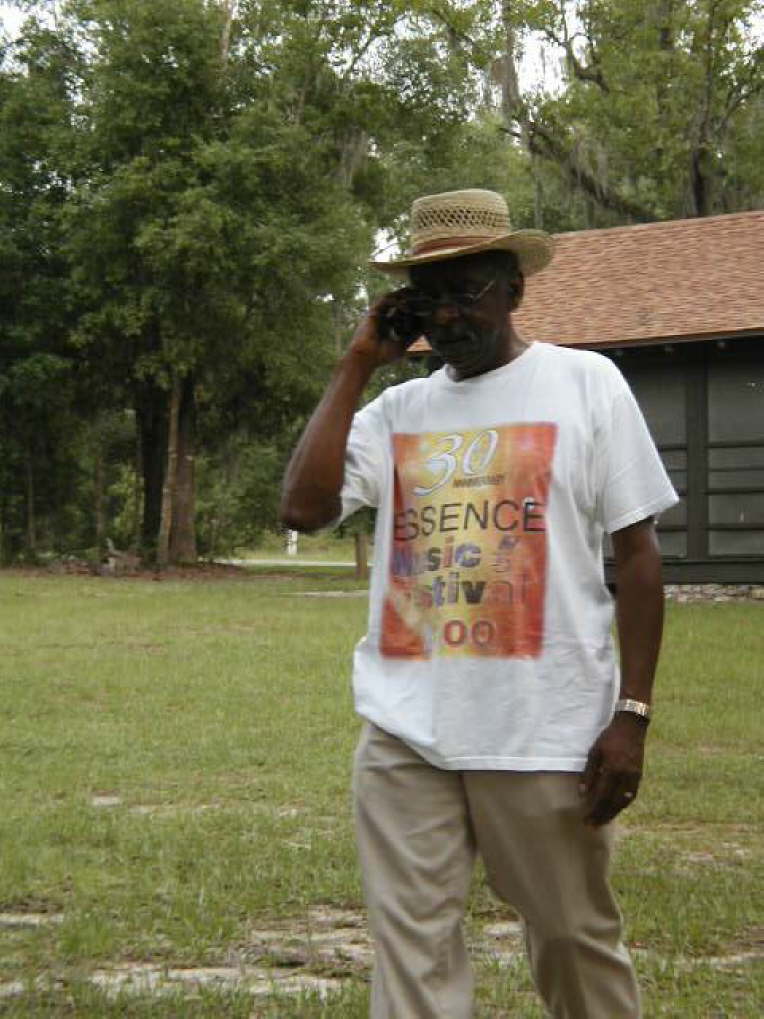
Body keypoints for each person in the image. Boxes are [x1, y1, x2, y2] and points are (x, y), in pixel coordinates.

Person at [280, 188, 678, 1018]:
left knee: (573, 940)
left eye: (468, 291)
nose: (449, 315)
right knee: (411, 959)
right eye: (430, 298)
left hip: (541, 730)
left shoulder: (586, 384)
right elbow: (303, 508)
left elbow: (638, 557)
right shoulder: (397, 412)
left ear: (515, 288)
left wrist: (632, 714)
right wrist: (356, 363)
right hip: (404, 731)